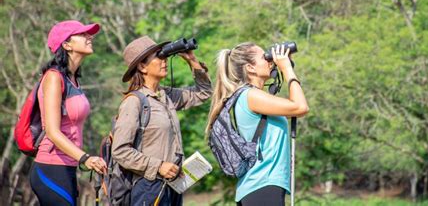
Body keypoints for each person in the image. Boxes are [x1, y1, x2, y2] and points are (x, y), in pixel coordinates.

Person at [112, 35, 212, 206]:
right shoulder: (134, 102)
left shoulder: (167, 96)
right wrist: (158, 166)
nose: (164, 60)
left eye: (164, 55)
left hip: (172, 185)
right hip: (148, 186)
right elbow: (120, 151)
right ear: (142, 67)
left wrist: (192, 61)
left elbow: (204, 92)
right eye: (158, 56)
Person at [205, 42, 309, 206]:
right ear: (250, 68)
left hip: (260, 185)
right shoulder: (250, 95)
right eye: (264, 57)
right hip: (263, 184)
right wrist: (287, 69)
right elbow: (301, 107)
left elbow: (294, 106)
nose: (270, 60)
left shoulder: (252, 96)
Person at [29, 20, 107, 206]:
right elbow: (53, 132)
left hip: (68, 167)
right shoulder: (54, 78)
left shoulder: (73, 80)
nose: (90, 37)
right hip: (50, 167)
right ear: (66, 45)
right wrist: (85, 158)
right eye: (83, 34)